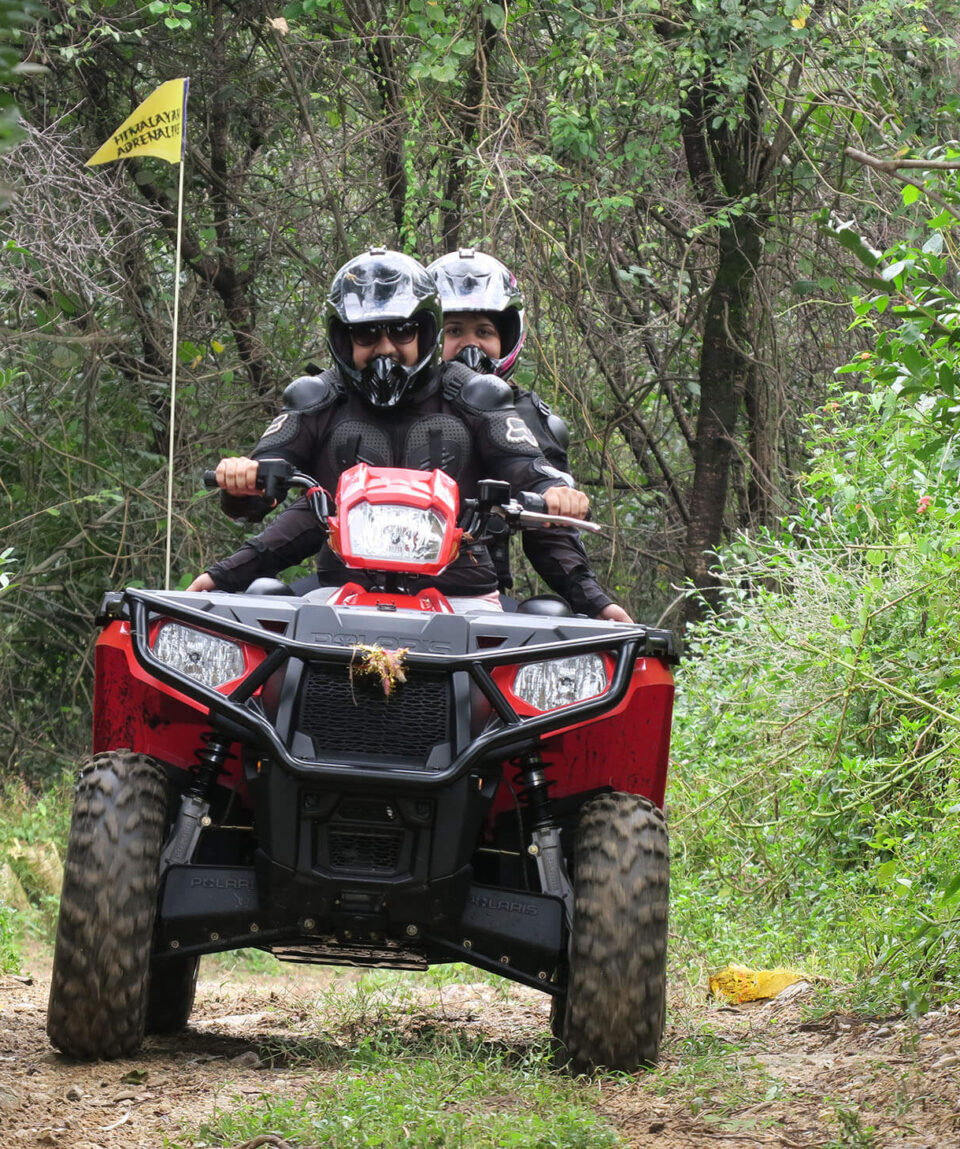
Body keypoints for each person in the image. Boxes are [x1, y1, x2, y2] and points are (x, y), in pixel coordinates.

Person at [186, 248, 591, 607]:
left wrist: (555, 494)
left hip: (464, 595)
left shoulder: (478, 395)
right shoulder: (317, 397)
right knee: (260, 603)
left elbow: (528, 468)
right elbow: (270, 480)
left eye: (401, 330)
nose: (385, 348)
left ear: (424, 330)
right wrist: (240, 488)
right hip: (340, 592)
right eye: (366, 333)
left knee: (547, 622)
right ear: (344, 340)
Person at [427, 249, 632, 623]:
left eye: (484, 332)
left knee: (549, 618)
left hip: (472, 592)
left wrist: (595, 601)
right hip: (368, 577)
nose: (469, 345)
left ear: (506, 339)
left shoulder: (525, 418)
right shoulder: (389, 403)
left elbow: (550, 533)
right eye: (454, 331)